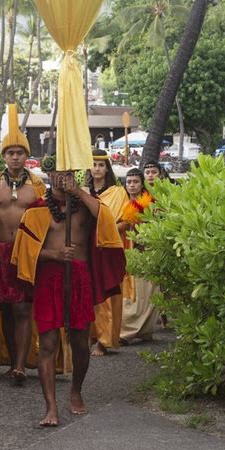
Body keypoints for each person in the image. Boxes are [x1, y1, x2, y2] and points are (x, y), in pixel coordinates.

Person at [11, 154, 125, 426]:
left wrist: (78, 192)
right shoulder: (37, 210)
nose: (63, 178)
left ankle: (76, 391)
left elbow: (106, 219)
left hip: (80, 277)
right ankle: (50, 407)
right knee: (48, 343)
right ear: (49, 176)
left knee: (80, 343)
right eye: (58, 173)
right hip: (49, 279)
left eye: (68, 173)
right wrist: (52, 253)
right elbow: (23, 254)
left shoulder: (86, 207)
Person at [0, 103, 45, 381]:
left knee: (22, 308)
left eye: (20, 153)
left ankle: (20, 363)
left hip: (27, 254)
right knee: (5, 308)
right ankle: (11, 360)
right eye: (10, 153)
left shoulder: (38, 186)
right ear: (4, 156)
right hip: (0, 252)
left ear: (26, 156)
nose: (15, 157)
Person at [87, 149, 128, 356]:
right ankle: (93, 334)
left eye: (101, 165)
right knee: (89, 292)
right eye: (94, 164)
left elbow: (125, 221)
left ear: (107, 168)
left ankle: (105, 340)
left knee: (108, 295)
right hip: (87, 248)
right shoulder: (84, 192)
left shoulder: (118, 192)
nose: (97, 169)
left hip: (108, 249)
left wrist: (106, 229)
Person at [119, 168, 159, 343]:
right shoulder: (121, 203)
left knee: (146, 294)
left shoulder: (149, 202)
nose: (132, 185)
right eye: (129, 182)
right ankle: (128, 330)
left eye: (135, 182)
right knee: (130, 296)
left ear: (141, 184)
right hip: (126, 251)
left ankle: (141, 331)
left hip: (144, 251)